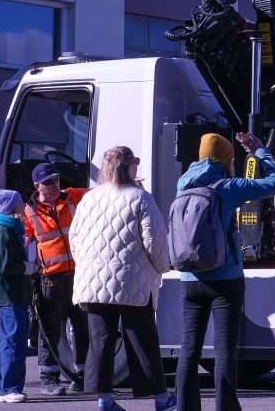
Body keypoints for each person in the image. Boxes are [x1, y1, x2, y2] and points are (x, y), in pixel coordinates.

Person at [175, 132, 275, 411]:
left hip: (189, 278)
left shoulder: (183, 184)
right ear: (225, 159)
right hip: (225, 279)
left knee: (189, 349)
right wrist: (260, 152)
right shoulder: (227, 187)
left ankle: (186, 408)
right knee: (224, 350)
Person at [70, 146, 176, 411]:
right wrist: (164, 266)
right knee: (142, 339)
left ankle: (104, 400)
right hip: (133, 281)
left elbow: (75, 239)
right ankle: (161, 399)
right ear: (129, 167)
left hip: (92, 282)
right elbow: (154, 242)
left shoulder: (89, 198)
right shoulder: (141, 198)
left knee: (101, 340)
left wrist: (86, 266)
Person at [23, 162, 89, 395]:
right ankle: (48, 379)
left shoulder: (72, 196)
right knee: (49, 329)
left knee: (81, 325)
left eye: (56, 180)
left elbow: (99, 193)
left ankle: (81, 376)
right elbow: (24, 241)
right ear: (37, 185)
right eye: (48, 181)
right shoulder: (29, 212)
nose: (54, 185)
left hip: (77, 274)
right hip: (50, 279)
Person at [0, 189, 34, 404]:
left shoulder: (4, 229)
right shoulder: (6, 232)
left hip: (7, 295)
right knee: (15, 342)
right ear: (10, 207)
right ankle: (10, 389)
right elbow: (6, 266)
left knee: (6, 342)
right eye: (19, 201)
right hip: (11, 295)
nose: (23, 203)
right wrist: (30, 267)